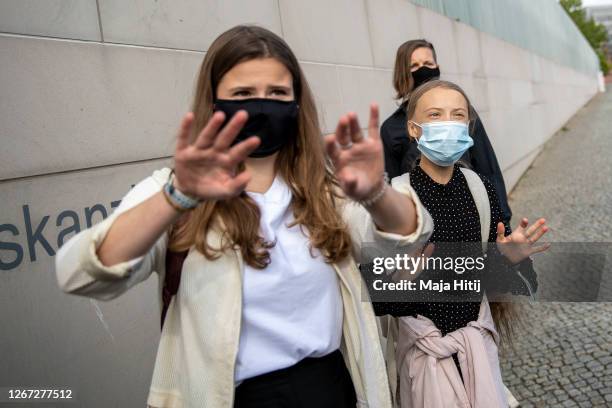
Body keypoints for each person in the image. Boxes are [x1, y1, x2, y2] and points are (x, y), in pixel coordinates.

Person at [55, 25, 434, 408]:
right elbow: (79, 274)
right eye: (242, 94)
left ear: (297, 103)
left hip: (329, 387)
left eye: (277, 93)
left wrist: (376, 194)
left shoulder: (325, 190)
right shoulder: (176, 192)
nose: (262, 104)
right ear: (214, 101)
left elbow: (407, 236)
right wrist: (177, 198)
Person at [369, 80, 550, 408]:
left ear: (468, 127)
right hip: (424, 359)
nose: (447, 124)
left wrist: (508, 258)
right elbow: (376, 301)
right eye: (435, 115)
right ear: (414, 129)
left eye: (457, 116)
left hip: (477, 349)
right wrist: (401, 281)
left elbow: (490, 281)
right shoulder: (394, 199)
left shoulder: (481, 189)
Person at [381, 39, 512, 223]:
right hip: (422, 224)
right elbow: (391, 187)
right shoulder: (391, 128)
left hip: (470, 213)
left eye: (428, 63)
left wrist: (502, 219)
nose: (423, 70)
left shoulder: (464, 113)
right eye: (414, 65)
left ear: (437, 67)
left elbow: (488, 167)